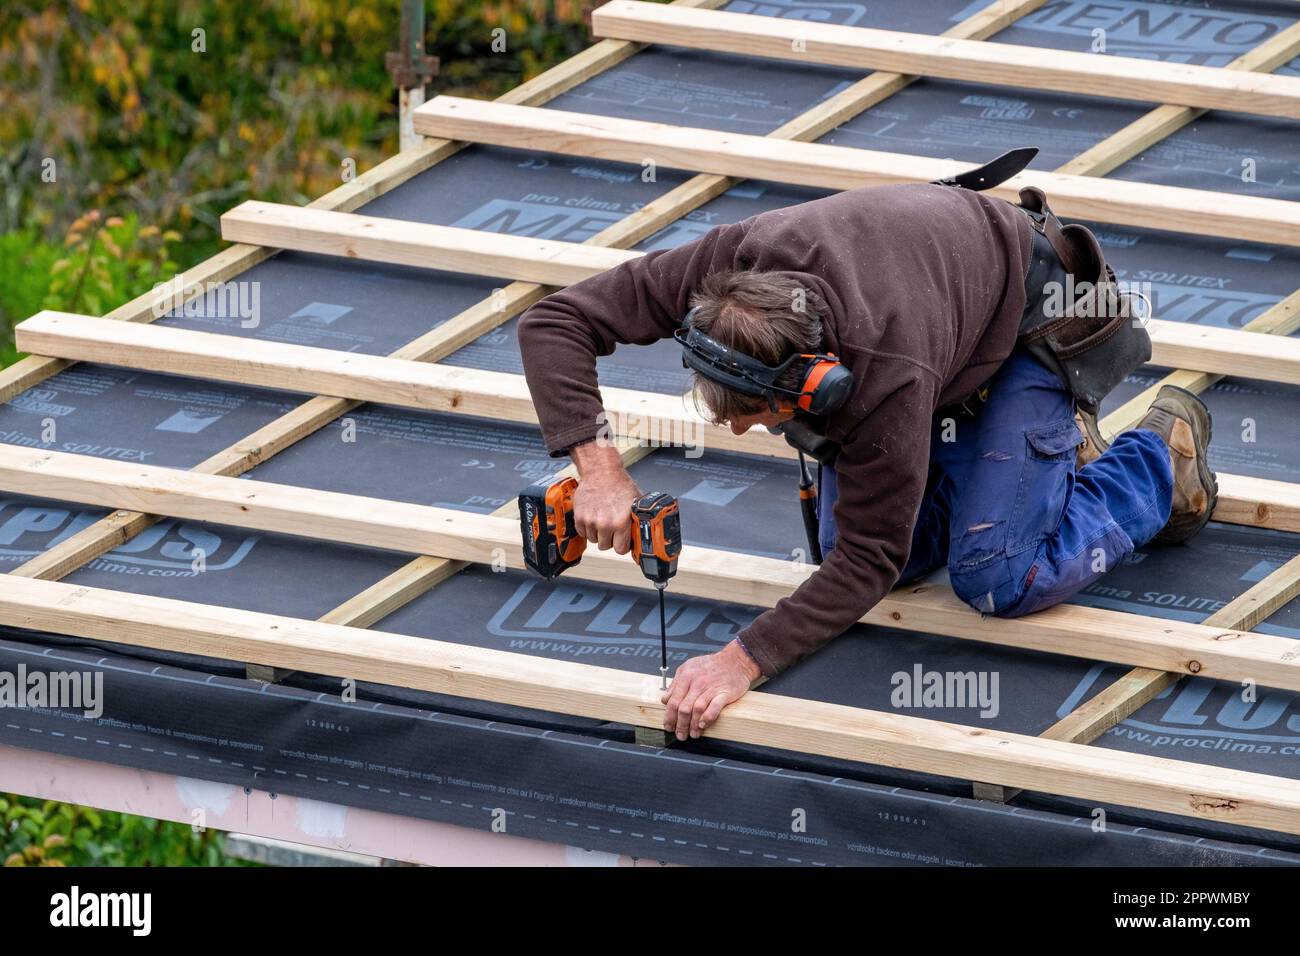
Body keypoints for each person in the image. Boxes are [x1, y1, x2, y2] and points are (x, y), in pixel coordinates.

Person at [516, 179, 1217, 742]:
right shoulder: (731, 265)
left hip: (1038, 314)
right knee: (888, 557)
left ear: (818, 382)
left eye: (756, 416)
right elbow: (554, 320)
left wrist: (740, 661)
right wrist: (598, 463)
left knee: (1000, 575)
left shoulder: (887, 372)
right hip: (945, 303)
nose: (738, 434)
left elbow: (868, 560)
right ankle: (1034, 467)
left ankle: (1158, 458)